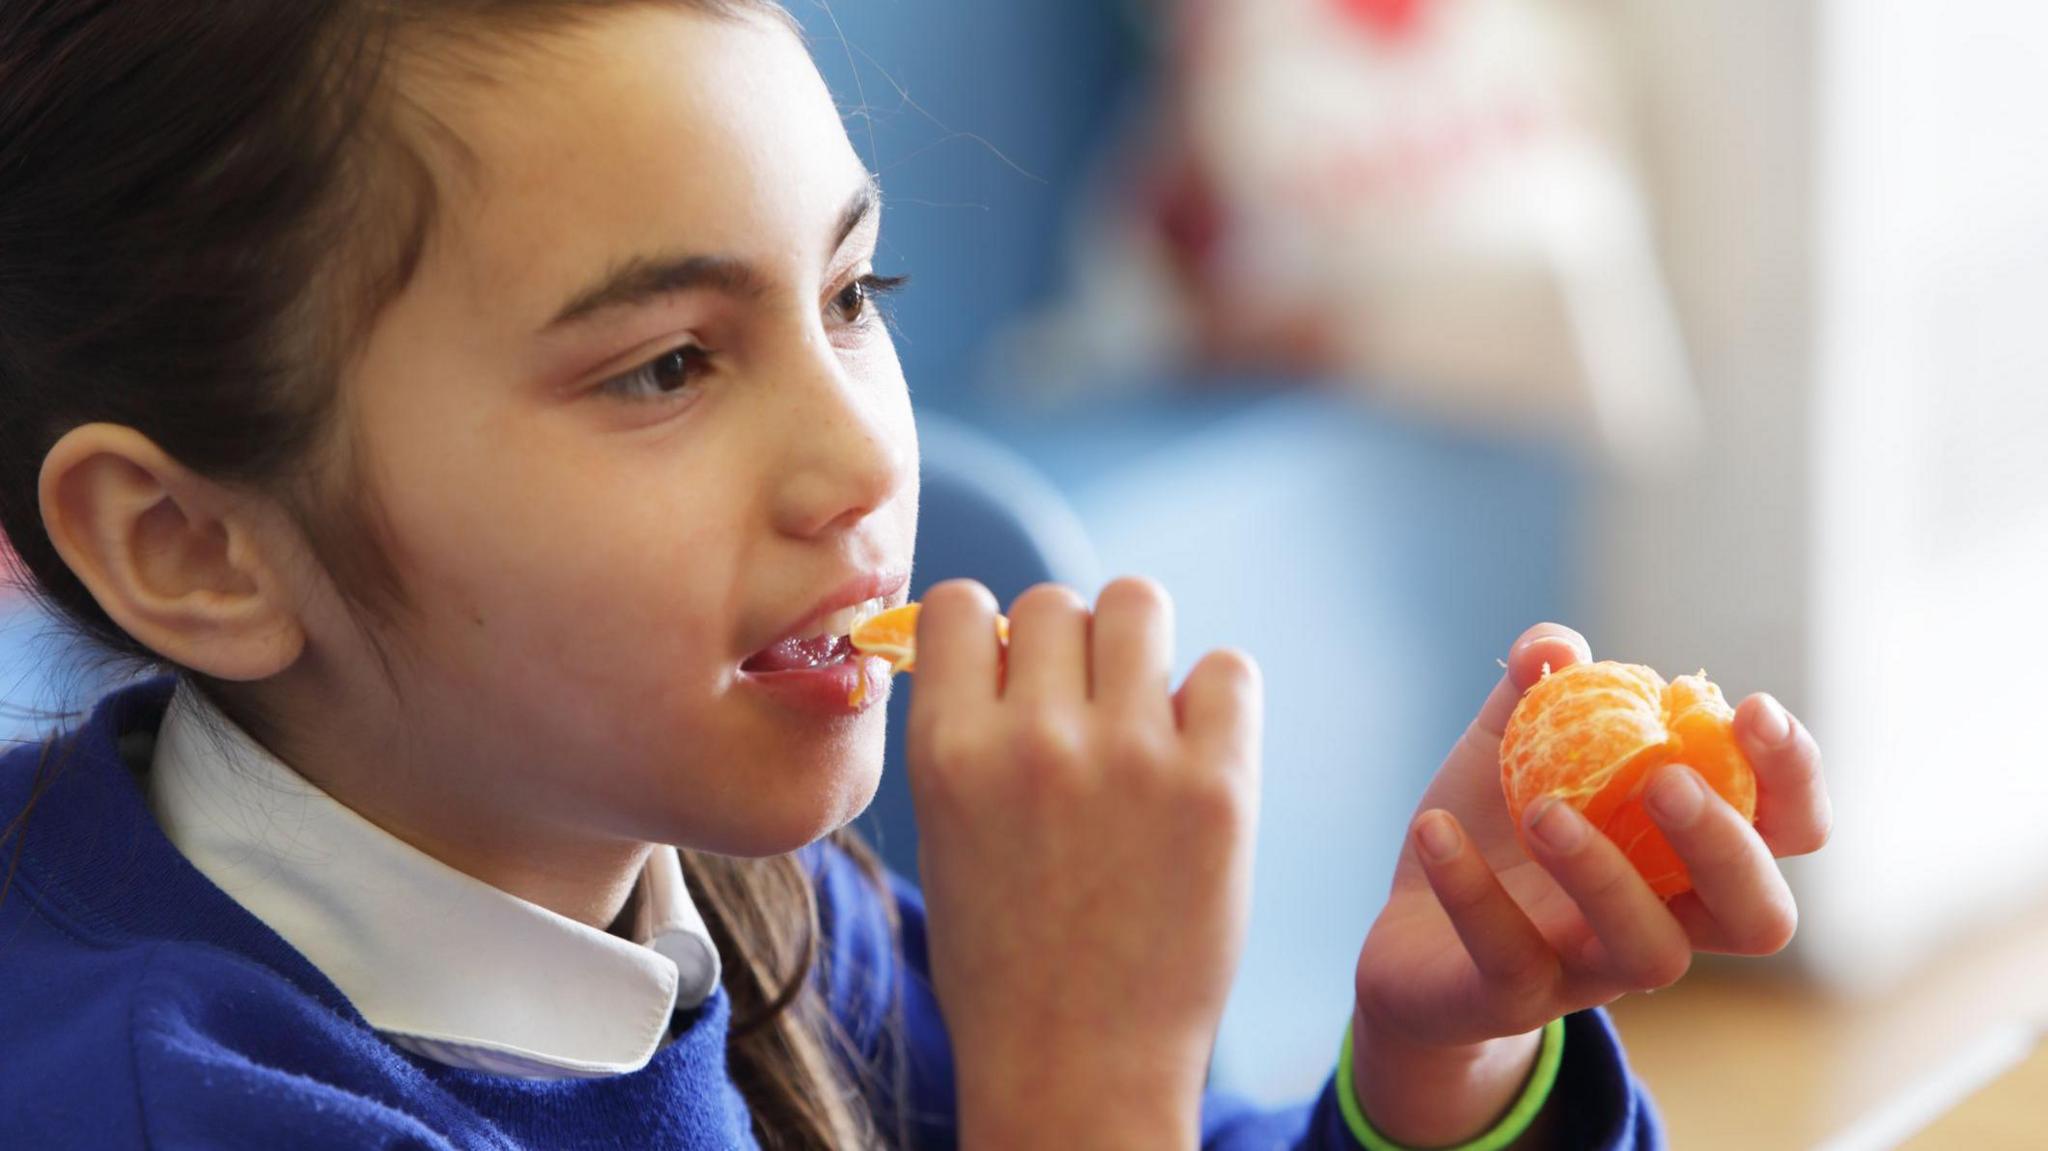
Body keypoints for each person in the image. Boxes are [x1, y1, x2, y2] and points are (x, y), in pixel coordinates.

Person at [0, 3, 1832, 1148]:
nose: (875, 460)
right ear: (193, 548)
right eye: (665, 364)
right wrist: (1083, 1085)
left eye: (854, 298)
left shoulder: (760, 899)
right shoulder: (164, 1107)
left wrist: (1434, 1069)